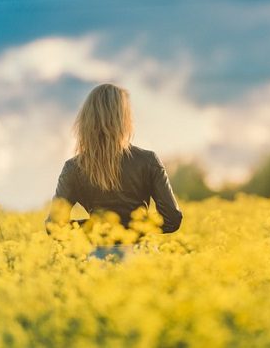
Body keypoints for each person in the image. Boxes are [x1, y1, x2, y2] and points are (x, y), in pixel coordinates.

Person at [45, 83, 183, 261]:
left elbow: (54, 226)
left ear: (87, 119)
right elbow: (172, 219)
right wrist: (134, 227)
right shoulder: (148, 160)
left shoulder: (73, 168)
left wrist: (96, 226)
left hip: (98, 258)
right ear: (124, 119)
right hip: (143, 259)